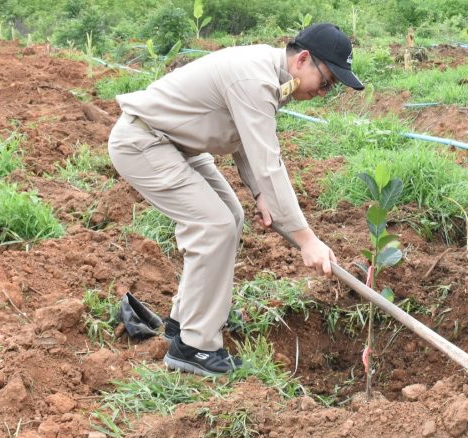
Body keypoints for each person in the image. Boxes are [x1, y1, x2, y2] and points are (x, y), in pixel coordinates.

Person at [108, 23, 364, 376]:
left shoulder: (272, 76)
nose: (325, 91)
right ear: (303, 59)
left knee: (231, 216)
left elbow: (245, 140)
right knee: (213, 225)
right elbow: (269, 163)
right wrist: (308, 240)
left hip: (178, 144)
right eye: (327, 82)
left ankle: (183, 324)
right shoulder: (254, 80)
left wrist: (260, 194)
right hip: (145, 141)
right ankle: (194, 348)